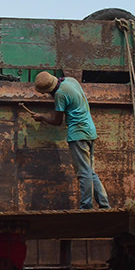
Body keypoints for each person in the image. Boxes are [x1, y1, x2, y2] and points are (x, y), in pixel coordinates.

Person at [30, 72, 110, 210]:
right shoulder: (71, 81)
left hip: (78, 134)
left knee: (83, 173)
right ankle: (104, 205)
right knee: (90, 171)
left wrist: (42, 117)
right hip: (90, 130)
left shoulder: (60, 95)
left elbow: (57, 121)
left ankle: (86, 207)